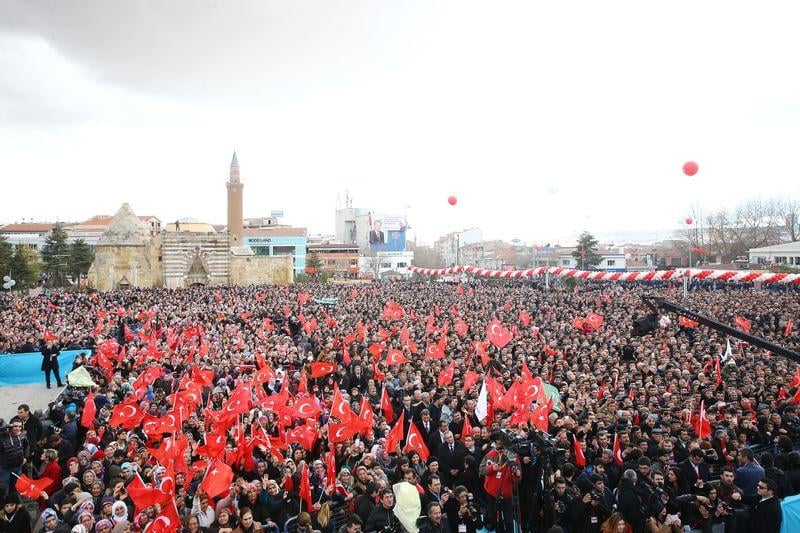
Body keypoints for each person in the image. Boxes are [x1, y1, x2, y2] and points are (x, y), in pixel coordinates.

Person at [0, 421, 28, 496]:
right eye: (15, 426)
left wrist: (25, 457)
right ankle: (5, 501)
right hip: (5, 468)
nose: (17, 428)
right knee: (4, 487)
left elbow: (26, 446)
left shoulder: (22, 435)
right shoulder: (2, 438)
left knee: (16, 486)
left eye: (19, 426)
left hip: (18, 466)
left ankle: (15, 500)